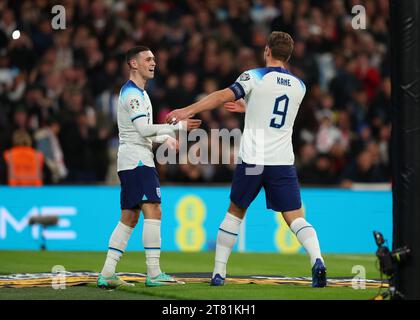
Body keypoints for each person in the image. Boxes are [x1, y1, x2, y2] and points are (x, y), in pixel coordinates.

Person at [166, 31, 327, 287]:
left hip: (253, 160)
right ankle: (317, 259)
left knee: (235, 212)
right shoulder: (300, 86)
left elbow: (222, 95)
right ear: (289, 56)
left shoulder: (254, 76)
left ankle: (219, 273)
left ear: (267, 50)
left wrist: (189, 109)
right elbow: (276, 110)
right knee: (295, 216)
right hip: (282, 161)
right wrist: (249, 107)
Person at [97, 46, 201, 289]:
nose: (154, 63)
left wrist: (165, 139)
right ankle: (154, 273)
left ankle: (107, 272)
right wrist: (178, 128)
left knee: (129, 217)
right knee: (154, 210)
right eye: (148, 59)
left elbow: (143, 132)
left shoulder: (142, 95)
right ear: (133, 64)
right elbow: (143, 130)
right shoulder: (132, 95)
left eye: (154, 59)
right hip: (138, 161)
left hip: (133, 158)